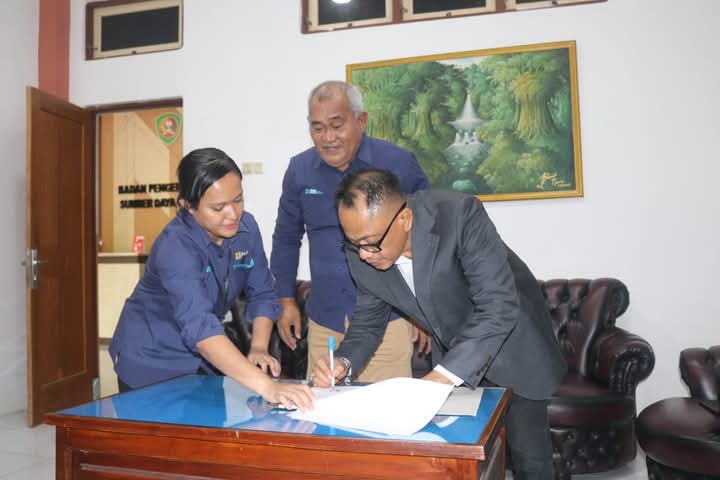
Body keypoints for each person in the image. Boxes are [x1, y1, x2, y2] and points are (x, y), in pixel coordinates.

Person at [313, 169, 567, 479]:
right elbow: (368, 323)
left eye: (370, 242)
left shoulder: (459, 216)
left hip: (514, 346)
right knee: (459, 458)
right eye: (354, 244)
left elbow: (498, 306)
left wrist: (441, 377)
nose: (364, 255)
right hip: (455, 353)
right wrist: (343, 361)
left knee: (530, 462)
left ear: (404, 219)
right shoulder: (362, 252)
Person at [109, 148, 313, 410]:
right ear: (188, 206)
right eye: (218, 207)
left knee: (211, 431)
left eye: (238, 200)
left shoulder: (246, 229)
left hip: (205, 360)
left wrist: (259, 348)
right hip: (152, 360)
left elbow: (262, 293)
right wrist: (267, 386)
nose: (233, 214)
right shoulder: (176, 246)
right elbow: (200, 327)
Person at [271, 81, 431, 382]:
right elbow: (286, 239)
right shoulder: (299, 170)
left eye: (337, 125)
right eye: (318, 128)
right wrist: (286, 300)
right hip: (326, 320)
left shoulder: (398, 163)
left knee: (386, 409)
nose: (328, 137)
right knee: (323, 407)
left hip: (389, 319)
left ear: (361, 120)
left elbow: (426, 234)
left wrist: (423, 307)